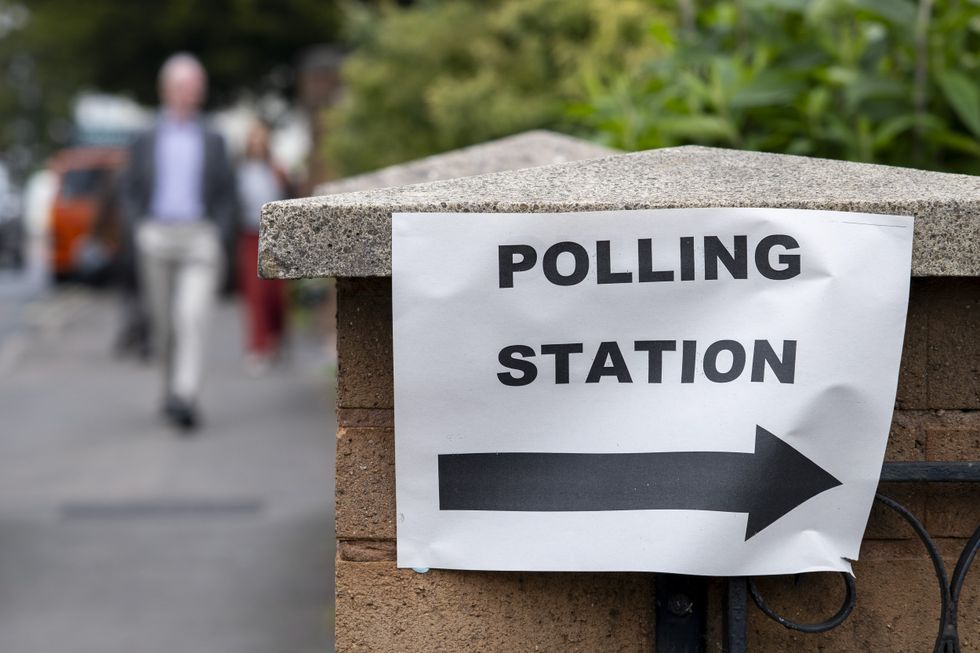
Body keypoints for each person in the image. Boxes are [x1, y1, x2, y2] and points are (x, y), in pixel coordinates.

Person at [119, 53, 238, 433]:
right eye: (187, 85)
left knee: (191, 316)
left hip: (199, 237)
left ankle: (185, 396)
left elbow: (226, 192)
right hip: (155, 235)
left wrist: (219, 233)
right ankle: (169, 389)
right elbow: (130, 187)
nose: (194, 92)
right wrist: (138, 227)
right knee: (164, 326)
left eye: (198, 85)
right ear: (168, 89)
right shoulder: (145, 135)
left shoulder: (214, 137)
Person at [236, 121, 290, 373]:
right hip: (249, 235)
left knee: (275, 293)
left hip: (275, 236)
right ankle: (257, 345)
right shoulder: (240, 171)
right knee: (255, 293)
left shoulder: (277, 170)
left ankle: (275, 336)